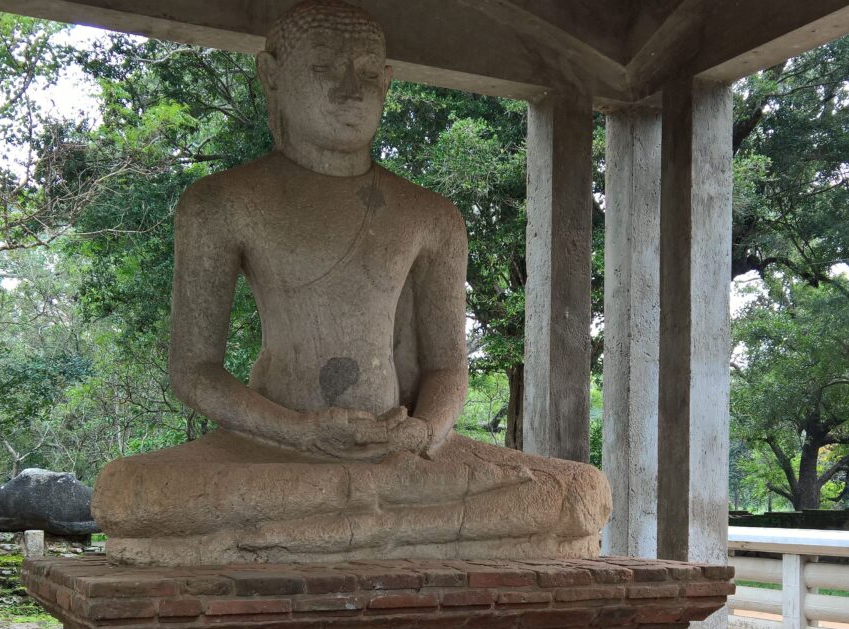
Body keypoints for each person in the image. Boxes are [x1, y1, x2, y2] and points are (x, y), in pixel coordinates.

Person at [91, 0, 611, 565]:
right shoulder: (221, 204)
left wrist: (424, 433)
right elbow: (194, 370)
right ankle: (380, 526)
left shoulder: (430, 216)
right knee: (130, 492)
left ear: (387, 82)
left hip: (400, 458)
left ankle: (313, 532)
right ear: (272, 76)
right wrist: (298, 433)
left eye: (367, 74)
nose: (349, 90)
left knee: (581, 492)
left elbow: (446, 367)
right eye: (323, 69)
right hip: (272, 452)